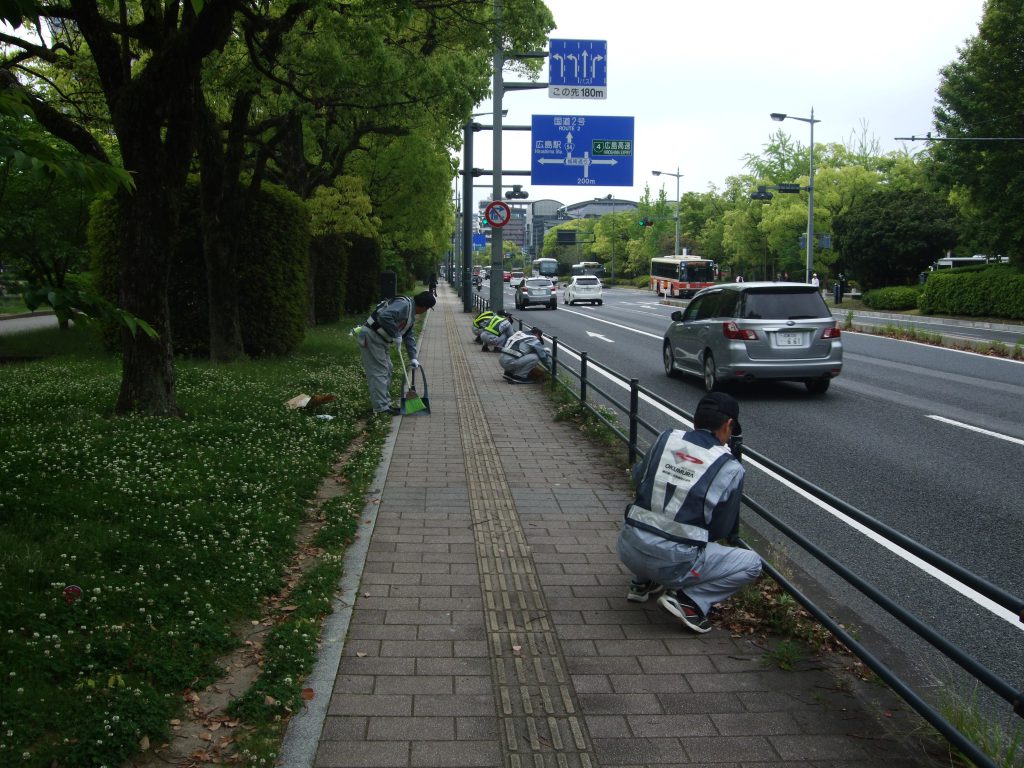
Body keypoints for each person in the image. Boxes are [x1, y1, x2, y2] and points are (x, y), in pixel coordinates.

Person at [615, 392, 762, 633]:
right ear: (729, 425)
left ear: (695, 420)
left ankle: (641, 584)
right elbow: (721, 529)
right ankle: (691, 602)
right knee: (752, 563)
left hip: (628, 548)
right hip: (675, 564)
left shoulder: (666, 438)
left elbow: (637, 478)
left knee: (654, 523)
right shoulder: (730, 466)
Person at [356, 290, 435, 415]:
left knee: (387, 369)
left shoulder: (411, 310)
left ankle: (384, 404)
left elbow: (408, 334)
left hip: (380, 340)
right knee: (379, 372)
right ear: (424, 307)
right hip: (372, 337)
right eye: (428, 309)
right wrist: (396, 334)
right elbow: (385, 316)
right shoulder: (404, 305)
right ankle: (381, 408)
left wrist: (413, 357)